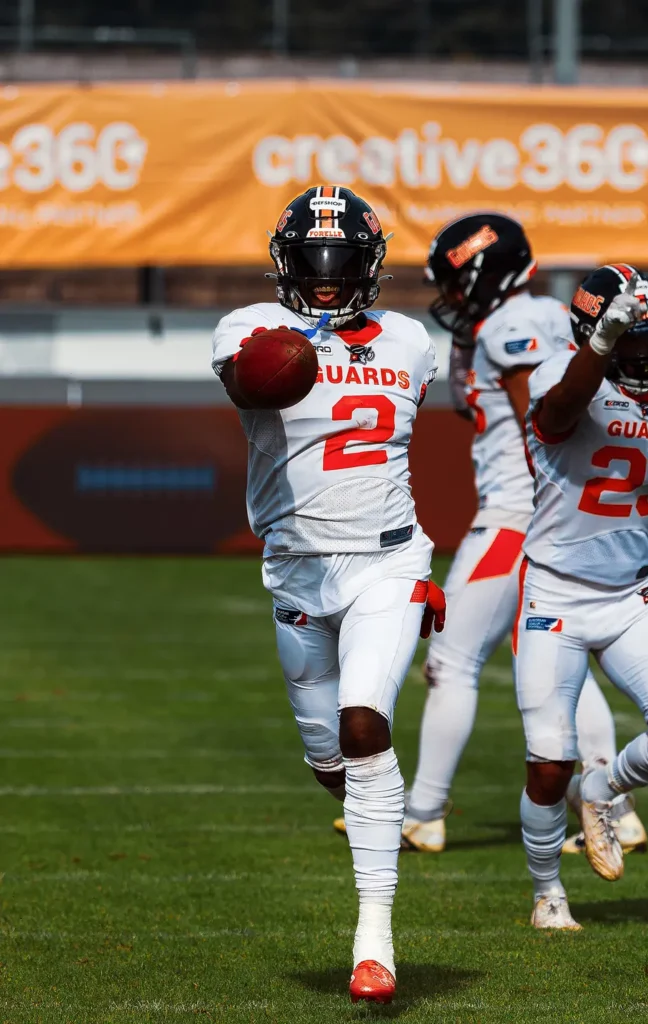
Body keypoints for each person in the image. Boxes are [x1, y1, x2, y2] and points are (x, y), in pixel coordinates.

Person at [212, 185, 445, 1004]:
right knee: (331, 763)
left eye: (339, 263)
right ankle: (378, 815)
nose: (323, 280)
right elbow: (249, 384)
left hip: (387, 562)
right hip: (299, 570)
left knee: (362, 726)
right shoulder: (245, 328)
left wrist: (419, 585)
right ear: (284, 263)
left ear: (367, 266)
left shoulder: (413, 341)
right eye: (310, 263)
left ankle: (373, 942)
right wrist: (288, 355)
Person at [400, 214, 645, 856]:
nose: (450, 298)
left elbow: (538, 422)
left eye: (457, 284)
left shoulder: (513, 324)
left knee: (452, 661)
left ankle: (423, 811)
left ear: (486, 276)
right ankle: (613, 806)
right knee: (557, 658)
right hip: (530, 511)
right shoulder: (525, 317)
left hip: (516, 514)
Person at [515, 263, 648, 929]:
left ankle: (605, 786)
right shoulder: (558, 373)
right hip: (555, 594)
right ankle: (547, 893)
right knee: (547, 763)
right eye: (628, 345)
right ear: (593, 335)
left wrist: (622, 341)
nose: (644, 359)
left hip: (632, 594)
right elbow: (558, 411)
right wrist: (601, 349)